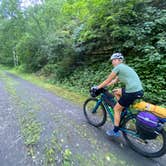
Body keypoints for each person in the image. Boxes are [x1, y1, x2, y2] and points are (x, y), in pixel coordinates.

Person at [94, 53, 144, 137]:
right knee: (116, 91)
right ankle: (122, 108)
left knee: (116, 109)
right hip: (138, 91)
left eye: (114, 60)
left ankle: (115, 131)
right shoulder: (125, 68)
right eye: (112, 60)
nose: (112, 62)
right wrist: (105, 86)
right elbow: (113, 81)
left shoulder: (118, 67)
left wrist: (97, 87)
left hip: (131, 92)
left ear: (119, 60)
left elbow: (107, 80)